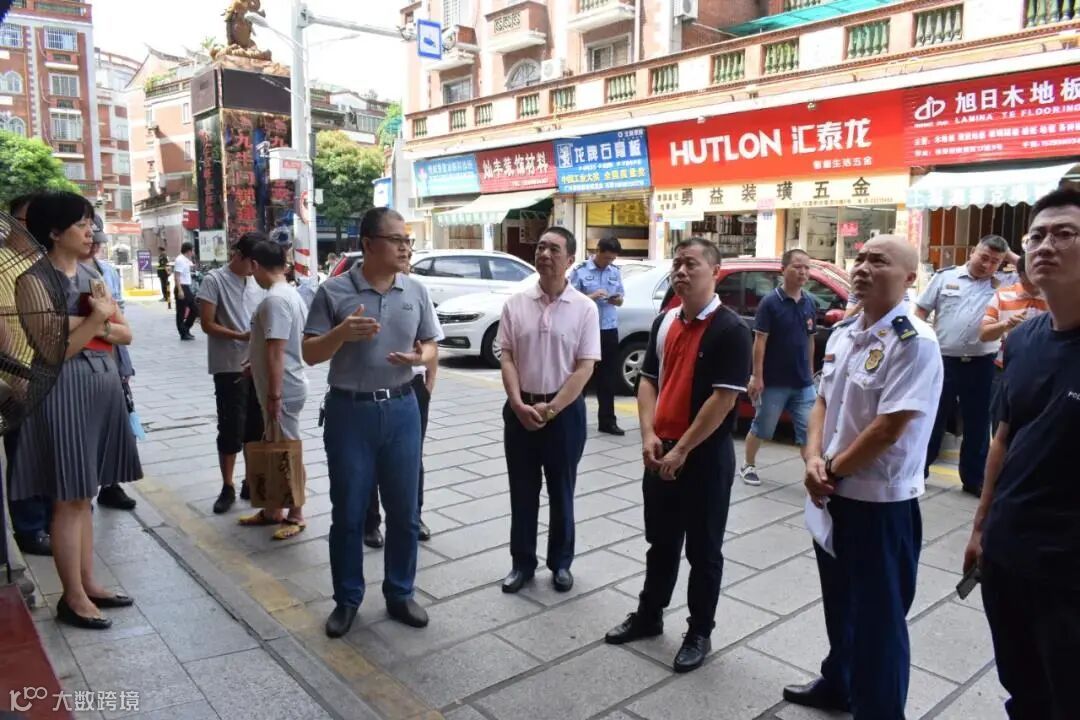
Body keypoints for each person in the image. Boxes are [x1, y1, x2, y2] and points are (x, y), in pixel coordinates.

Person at [783, 235, 942, 719]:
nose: (864, 267)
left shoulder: (915, 342)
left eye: (880, 261)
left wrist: (828, 469)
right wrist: (812, 457)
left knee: (880, 624)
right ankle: (839, 684)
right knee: (839, 603)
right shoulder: (844, 332)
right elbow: (821, 400)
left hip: (879, 505)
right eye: (861, 258)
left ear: (909, 278)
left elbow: (888, 428)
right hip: (832, 492)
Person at [604, 237, 751, 673]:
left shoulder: (731, 329)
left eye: (691, 264)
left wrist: (683, 449)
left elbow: (723, 399)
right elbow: (648, 380)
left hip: (704, 457)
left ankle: (699, 631)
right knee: (661, 543)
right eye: (677, 264)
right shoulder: (665, 321)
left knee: (704, 551)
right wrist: (648, 434)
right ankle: (649, 615)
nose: (681, 271)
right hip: (660, 451)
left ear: (715, 272)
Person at [962, 188, 1080, 720]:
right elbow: (1003, 438)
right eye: (1036, 235)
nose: (1045, 245)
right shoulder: (1025, 339)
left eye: (1064, 233)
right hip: (1008, 553)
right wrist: (980, 527)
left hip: (1069, 571)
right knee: (1022, 687)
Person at [8, 191, 142, 629]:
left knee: (85, 494)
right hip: (61, 390)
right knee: (68, 497)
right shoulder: (33, 280)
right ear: (54, 231)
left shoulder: (91, 273)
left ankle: (88, 583)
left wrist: (86, 324)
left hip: (101, 384)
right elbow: (53, 351)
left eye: (89, 224)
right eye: (81, 224)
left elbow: (125, 333)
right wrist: (96, 321)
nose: (90, 232)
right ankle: (73, 597)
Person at [303, 207, 439, 638]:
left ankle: (400, 592)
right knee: (348, 512)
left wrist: (420, 357)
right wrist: (341, 333)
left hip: (402, 408)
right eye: (396, 240)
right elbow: (309, 354)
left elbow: (432, 345)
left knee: (405, 511)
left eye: (407, 241)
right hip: (350, 412)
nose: (405, 248)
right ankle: (347, 599)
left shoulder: (415, 289)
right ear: (368, 244)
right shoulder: (334, 291)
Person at [497, 226, 600, 596]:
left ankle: (561, 563)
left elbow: (585, 367)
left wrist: (553, 408)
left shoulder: (585, 308)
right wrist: (517, 403)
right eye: (541, 247)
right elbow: (507, 356)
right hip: (520, 409)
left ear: (570, 260)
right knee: (522, 491)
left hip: (564, 413)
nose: (544, 254)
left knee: (562, 490)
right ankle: (522, 563)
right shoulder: (515, 304)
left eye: (554, 249)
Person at [916, 234, 1009, 495]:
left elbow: (1028, 270)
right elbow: (921, 309)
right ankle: (918, 472)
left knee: (978, 424)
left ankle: (974, 480)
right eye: (984, 257)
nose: (987, 265)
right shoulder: (946, 277)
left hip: (983, 364)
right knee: (933, 417)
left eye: (995, 261)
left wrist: (1008, 256)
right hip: (943, 360)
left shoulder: (1002, 284)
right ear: (972, 252)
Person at [364, 246, 444, 548]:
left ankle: (414, 516)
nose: (405, 262)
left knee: (412, 458)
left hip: (413, 388)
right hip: (372, 388)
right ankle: (371, 522)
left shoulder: (417, 293)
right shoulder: (365, 295)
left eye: (409, 258)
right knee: (371, 457)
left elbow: (431, 343)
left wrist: (429, 383)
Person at [238, 239, 309, 540]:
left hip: (284, 388)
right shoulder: (287, 294)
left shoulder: (275, 300)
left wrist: (274, 395)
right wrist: (253, 363)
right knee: (276, 446)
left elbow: (277, 351)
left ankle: (296, 513)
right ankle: (272, 510)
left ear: (255, 265)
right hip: (282, 384)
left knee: (288, 449)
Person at [196, 232, 267, 514]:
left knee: (255, 427)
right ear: (238, 255)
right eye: (252, 263)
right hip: (228, 366)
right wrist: (240, 335)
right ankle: (227, 485)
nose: (254, 269)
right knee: (230, 427)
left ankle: (250, 480)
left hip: (256, 364)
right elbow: (206, 323)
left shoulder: (257, 282)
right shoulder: (214, 280)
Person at [740, 249, 816, 486]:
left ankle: (814, 473)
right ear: (783, 270)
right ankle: (748, 464)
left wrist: (811, 373)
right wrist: (757, 376)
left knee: (809, 430)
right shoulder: (770, 303)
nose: (803, 272)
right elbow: (760, 341)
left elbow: (810, 340)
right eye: (797, 266)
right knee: (763, 427)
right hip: (774, 382)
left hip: (803, 383)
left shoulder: (809, 302)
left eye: (806, 267)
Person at [4, 192, 52, 556]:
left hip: (47, 370)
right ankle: (30, 528)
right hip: (16, 374)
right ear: (16, 222)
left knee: (47, 452)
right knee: (23, 454)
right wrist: (15, 375)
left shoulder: (41, 262)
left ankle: (50, 519)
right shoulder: (2, 263)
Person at [85, 227, 138, 512]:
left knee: (116, 422)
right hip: (82, 364)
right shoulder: (58, 275)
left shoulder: (107, 272)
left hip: (112, 356)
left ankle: (110, 484)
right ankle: (83, 489)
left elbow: (123, 327)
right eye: (90, 240)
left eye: (97, 242)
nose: (94, 245)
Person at [978, 253, 1048, 432]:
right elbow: (984, 334)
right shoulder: (1003, 295)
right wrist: (1006, 324)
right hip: (1005, 371)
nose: (1035, 286)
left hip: (1045, 374)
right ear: (1020, 275)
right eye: (1029, 281)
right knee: (1000, 424)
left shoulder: (1056, 298)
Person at [570, 235, 626, 435]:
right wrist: (591, 297)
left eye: (612, 259)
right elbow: (570, 299)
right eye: (606, 257)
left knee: (608, 378)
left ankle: (608, 421)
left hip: (608, 329)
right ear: (597, 251)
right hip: (587, 329)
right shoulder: (580, 271)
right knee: (583, 376)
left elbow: (621, 298)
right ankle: (574, 418)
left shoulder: (614, 272)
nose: (609, 262)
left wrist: (616, 300)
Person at [173, 241, 197, 340]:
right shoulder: (180, 260)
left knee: (195, 309)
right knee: (181, 312)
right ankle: (183, 333)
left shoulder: (186, 259)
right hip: (182, 287)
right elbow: (177, 276)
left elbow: (191, 266)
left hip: (187, 287)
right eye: (193, 250)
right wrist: (180, 290)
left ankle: (186, 328)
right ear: (188, 251)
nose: (194, 252)